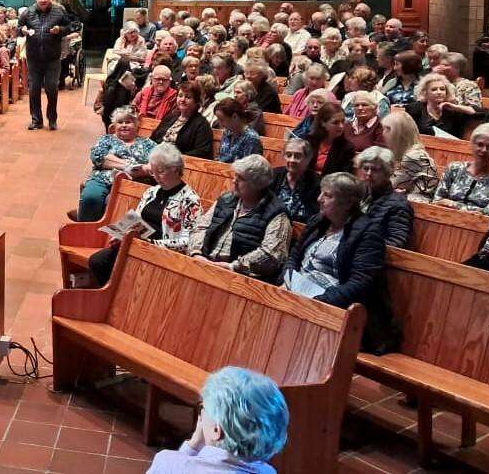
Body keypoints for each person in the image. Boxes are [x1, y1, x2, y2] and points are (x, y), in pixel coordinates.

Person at [283, 172, 396, 353]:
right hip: (298, 294)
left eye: (328, 195)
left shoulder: (368, 233)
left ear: (348, 203)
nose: (319, 199)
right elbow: (294, 256)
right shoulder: (318, 221)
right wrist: (288, 280)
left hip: (334, 307)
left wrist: (321, 301)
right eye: (321, 193)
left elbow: (360, 282)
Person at [86, 144, 201, 286]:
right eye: (153, 172)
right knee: (98, 261)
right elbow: (135, 219)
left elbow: (187, 241)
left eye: (161, 172)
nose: (156, 177)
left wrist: (150, 243)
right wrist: (119, 234)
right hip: (135, 245)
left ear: (176, 170)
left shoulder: (190, 200)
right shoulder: (151, 192)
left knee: (126, 273)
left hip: (160, 254)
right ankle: (108, 297)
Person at [146, 366, 286, 473]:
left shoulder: (168, 463)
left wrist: (192, 446)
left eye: (203, 408)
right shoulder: (268, 471)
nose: (201, 413)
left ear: (216, 430)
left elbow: (177, 465)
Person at [187, 155, 291, 281]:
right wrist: (196, 252)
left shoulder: (276, 213)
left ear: (256, 184)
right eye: (235, 175)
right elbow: (200, 227)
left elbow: (272, 255)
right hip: (204, 263)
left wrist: (234, 266)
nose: (234, 181)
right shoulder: (226, 199)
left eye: (240, 178)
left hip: (240, 278)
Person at [73, 107, 156, 221]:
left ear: (136, 125)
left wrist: (143, 168)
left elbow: (157, 162)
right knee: (90, 197)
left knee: (115, 204)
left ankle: (103, 230)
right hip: (102, 178)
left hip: (132, 183)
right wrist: (129, 166)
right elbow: (97, 156)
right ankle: (84, 227)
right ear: (114, 126)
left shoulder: (147, 143)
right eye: (120, 122)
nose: (124, 125)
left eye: (128, 122)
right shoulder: (107, 139)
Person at [419, 123, 489, 213]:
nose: (484, 150)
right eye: (480, 145)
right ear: (472, 145)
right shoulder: (454, 169)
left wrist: (454, 204)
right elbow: (437, 201)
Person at [18, 0, 70, 130]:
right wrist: (22, 30)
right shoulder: (28, 12)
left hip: (52, 57)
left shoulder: (59, 11)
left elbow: (69, 26)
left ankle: (52, 119)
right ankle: (36, 120)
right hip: (34, 57)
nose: (43, 0)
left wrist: (60, 30)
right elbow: (19, 28)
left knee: (51, 87)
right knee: (34, 88)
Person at [354, 146, 413, 247]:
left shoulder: (398, 205)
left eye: (375, 170)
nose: (369, 173)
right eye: (365, 168)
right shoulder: (354, 194)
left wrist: (358, 245)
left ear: (388, 172)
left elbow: (396, 243)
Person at [381, 110, 439, 197]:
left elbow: (388, 185)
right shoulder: (401, 152)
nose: (383, 133)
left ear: (400, 134)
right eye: (383, 128)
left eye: (388, 129)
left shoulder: (413, 156)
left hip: (418, 204)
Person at [149, 81, 214, 159]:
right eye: (180, 96)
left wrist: (177, 157)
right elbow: (153, 138)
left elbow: (202, 152)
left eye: (188, 97)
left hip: (176, 163)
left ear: (197, 101)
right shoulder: (170, 117)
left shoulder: (201, 124)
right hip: (156, 157)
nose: (182, 100)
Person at [404, 72, 472, 138]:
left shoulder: (452, 111)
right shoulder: (415, 109)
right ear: (425, 92)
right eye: (434, 89)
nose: (439, 92)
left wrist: (456, 107)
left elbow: (479, 113)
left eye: (442, 89)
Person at [269, 137, 320, 222]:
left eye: (297, 156)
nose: (292, 160)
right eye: (288, 155)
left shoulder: (316, 182)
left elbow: (315, 214)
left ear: (308, 159)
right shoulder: (273, 175)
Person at [308, 101, 356, 176]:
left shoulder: (347, 148)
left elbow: (343, 176)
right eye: (335, 123)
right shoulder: (309, 141)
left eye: (343, 121)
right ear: (323, 123)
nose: (341, 126)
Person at [214, 98, 261, 163]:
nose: (220, 124)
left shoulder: (251, 138)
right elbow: (220, 157)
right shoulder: (227, 132)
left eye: (222, 120)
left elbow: (248, 169)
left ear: (235, 117)